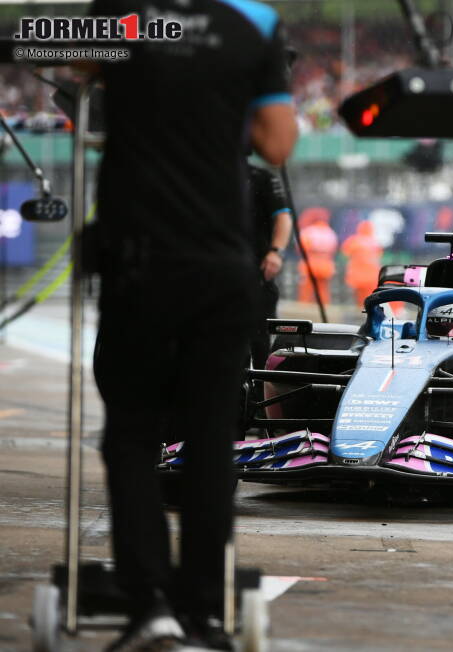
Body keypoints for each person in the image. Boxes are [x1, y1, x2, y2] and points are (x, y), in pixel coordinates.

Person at [85, 0, 297, 648]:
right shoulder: (254, 24)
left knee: (132, 435)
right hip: (219, 262)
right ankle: (203, 612)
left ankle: (148, 604)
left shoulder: (122, 12)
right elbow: (276, 141)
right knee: (209, 438)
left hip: (138, 261)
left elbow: (74, 82)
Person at [248, 163, 293, 369]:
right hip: (219, 270)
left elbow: (283, 216)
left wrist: (276, 252)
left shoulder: (261, 177)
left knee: (260, 338)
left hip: (258, 271)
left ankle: (259, 391)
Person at [296, 207, 337, 305]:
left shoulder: (309, 231)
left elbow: (301, 248)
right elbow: (333, 249)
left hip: (311, 264)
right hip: (326, 264)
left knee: (307, 289)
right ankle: (324, 307)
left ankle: (304, 309)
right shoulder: (330, 232)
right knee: (323, 289)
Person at [342, 220, 383, 307]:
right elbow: (379, 256)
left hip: (357, 274)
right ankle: (366, 311)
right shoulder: (375, 242)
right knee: (369, 296)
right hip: (372, 275)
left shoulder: (354, 240)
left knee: (358, 296)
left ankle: (360, 310)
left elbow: (345, 253)